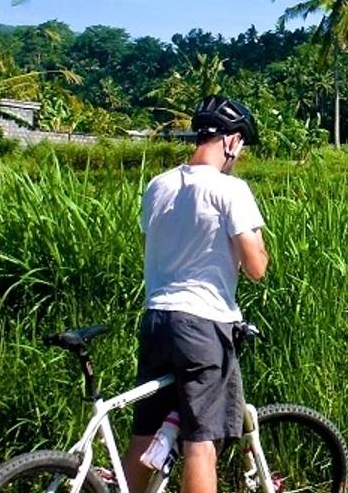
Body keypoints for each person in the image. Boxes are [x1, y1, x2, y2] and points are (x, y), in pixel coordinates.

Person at [124, 95, 269, 493]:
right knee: (201, 442)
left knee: (145, 434)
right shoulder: (230, 189)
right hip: (204, 324)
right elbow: (257, 268)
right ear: (233, 141)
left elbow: (155, 247)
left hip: (156, 318)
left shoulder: (159, 186)